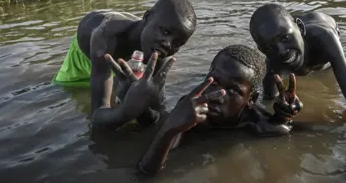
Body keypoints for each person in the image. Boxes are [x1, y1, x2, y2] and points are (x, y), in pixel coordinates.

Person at [106, 44, 303, 174]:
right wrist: (172, 128)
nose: (219, 94)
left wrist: (284, 117)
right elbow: (146, 170)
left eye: (233, 90)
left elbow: (285, 134)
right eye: (214, 81)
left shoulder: (254, 119)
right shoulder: (191, 106)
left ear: (251, 99)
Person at [51, 0, 197, 131]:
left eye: (177, 43)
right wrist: (125, 113)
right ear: (147, 16)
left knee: (131, 90)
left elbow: (157, 109)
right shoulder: (107, 36)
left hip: (127, 51)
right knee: (70, 92)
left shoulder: (159, 51)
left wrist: (147, 110)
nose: (168, 45)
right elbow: (96, 118)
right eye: (165, 32)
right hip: (89, 54)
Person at [249, 4, 346, 122]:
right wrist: (282, 111)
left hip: (325, 23)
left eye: (286, 38)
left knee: (330, 67)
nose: (281, 51)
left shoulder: (324, 39)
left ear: (301, 28)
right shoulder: (272, 65)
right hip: (296, 25)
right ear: (262, 51)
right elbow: (268, 103)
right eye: (269, 48)